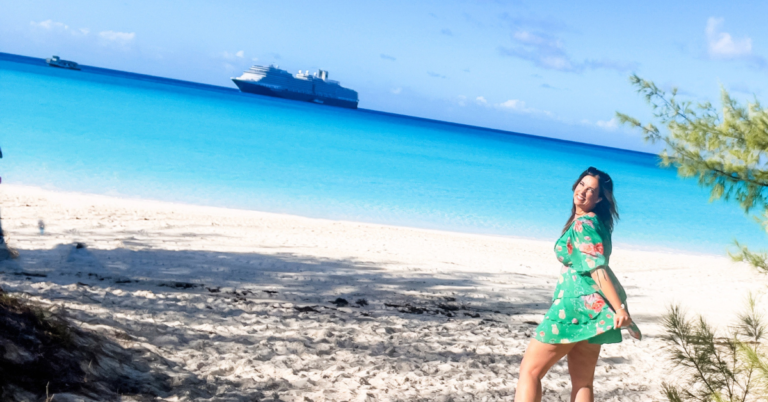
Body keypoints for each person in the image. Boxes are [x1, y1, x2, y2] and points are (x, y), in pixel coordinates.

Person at [514, 167, 641, 402]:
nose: (583, 191)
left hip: (572, 307)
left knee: (530, 372)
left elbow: (597, 269)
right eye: (581, 184)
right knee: (583, 383)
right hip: (595, 310)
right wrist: (617, 308)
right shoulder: (596, 223)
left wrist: (621, 310)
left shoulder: (584, 225)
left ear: (600, 198)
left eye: (591, 189)